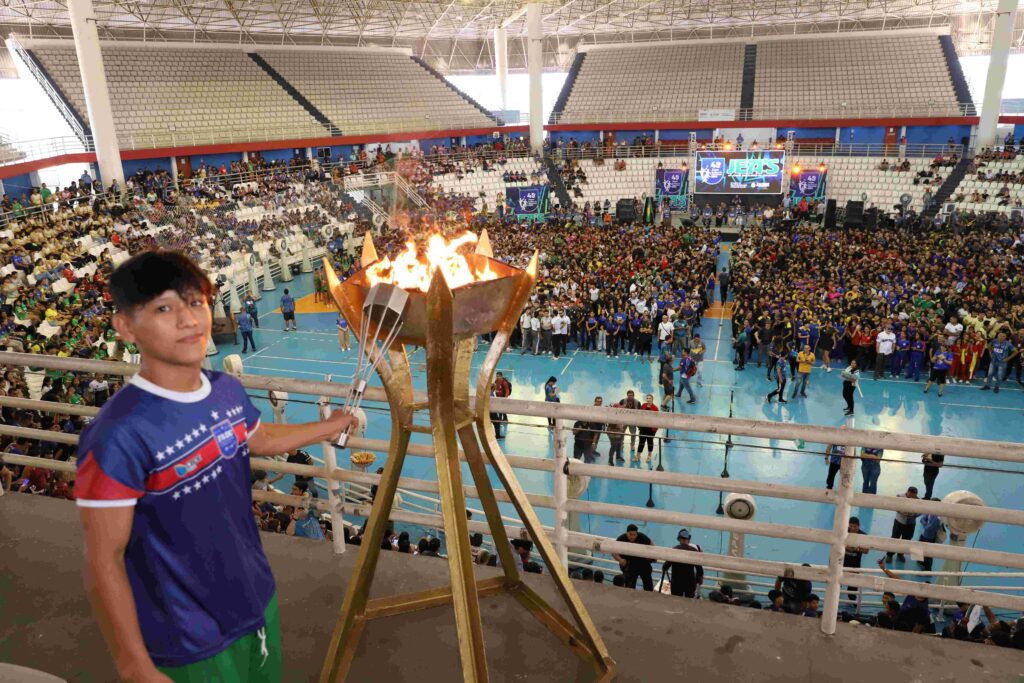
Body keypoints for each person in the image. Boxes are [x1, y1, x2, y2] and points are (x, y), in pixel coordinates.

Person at [75, 251, 355, 683]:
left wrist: (326, 427)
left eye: (196, 301)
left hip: (256, 598)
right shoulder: (118, 435)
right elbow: (103, 559)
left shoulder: (225, 389)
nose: (189, 319)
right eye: (165, 308)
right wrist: (133, 664)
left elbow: (257, 438)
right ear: (126, 327)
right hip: (186, 636)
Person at [661, 528, 703, 598]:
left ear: (679, 539)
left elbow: (665, 566)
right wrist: (698, 580)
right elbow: (700, 570)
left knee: (675, 601)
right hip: (690, 583)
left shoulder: (674, 550)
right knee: (689, 601)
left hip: (676, 583)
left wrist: (664, 568)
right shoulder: (694, 551)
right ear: (688, 539)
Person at [613, 524, 655, 591]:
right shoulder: (621, 539)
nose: (633, 537)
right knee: (630, 588)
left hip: (643, 564)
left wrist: (652, 556)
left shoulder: (642, 537)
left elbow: (652, 545)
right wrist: (620, 559)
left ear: (637, 533)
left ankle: (648, 598)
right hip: (629, 566)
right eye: (630, 534)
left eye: (634, 534)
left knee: (648, 586)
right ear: (627, 533)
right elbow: (614, 552)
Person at [885, 487, 920, 562]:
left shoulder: (918, 500)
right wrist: (901, 511)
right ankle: (889, 555)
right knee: (894, 538)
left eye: (914, 496)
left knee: (906, 540)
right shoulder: (899, 497)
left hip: (910, 524)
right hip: (899, 522)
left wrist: (914, 515)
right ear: (908, 492)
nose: (912, 497)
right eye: (911, 495)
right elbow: (894, 506)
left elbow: (921, 511)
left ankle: (900, 554)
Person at [636, 395, 659, 465]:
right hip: (643, 428)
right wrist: (639, 424)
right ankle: (638, 455)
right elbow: (639, 415)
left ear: (652, 399)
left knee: (650, 442)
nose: (648, 399)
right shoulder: (643, 405)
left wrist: (654, 430)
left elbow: (657, 420)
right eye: (647, 398)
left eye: (650, 398)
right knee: (641, 442)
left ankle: (649, 455)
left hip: (650, 429)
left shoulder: (655, 408)